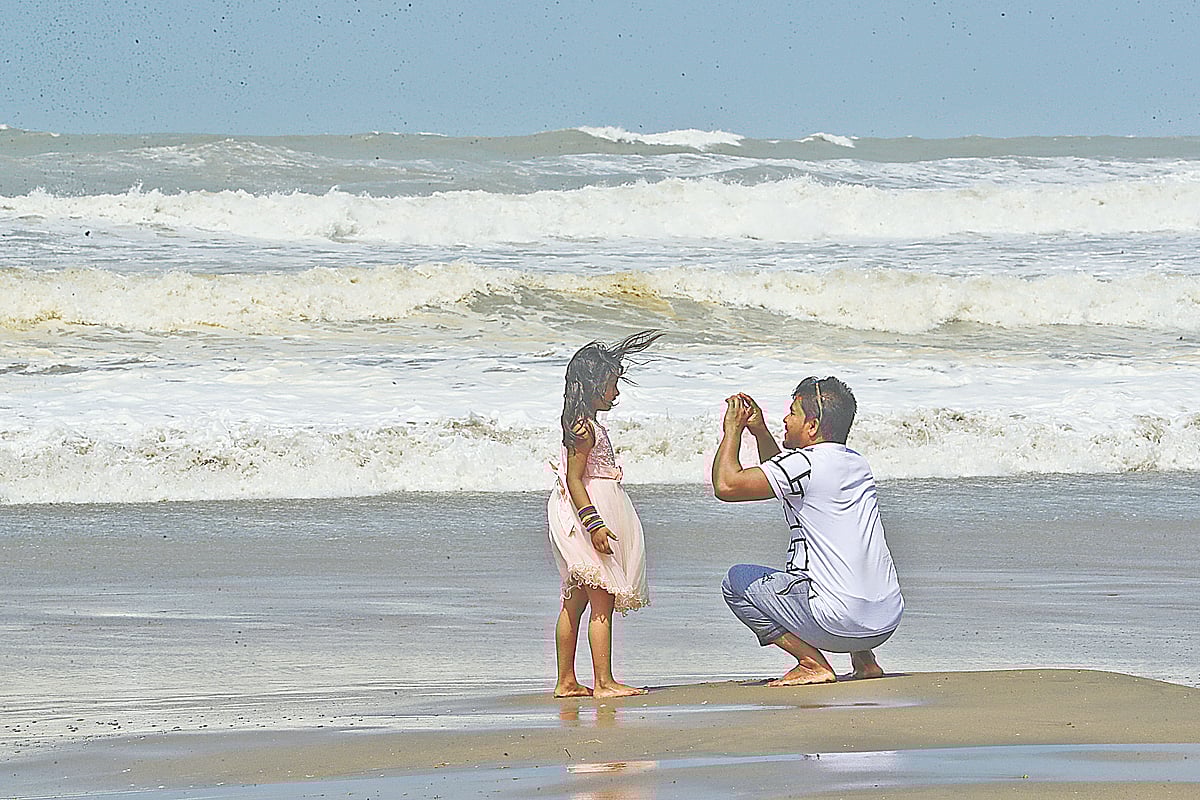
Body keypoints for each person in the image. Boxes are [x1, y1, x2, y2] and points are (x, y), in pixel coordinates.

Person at [711, 377, 903, 686]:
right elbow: (784, 476)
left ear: (812, 426)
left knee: (735, 582)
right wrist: (759, 431)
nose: (785, 420)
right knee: (843, 554)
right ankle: (865, 661)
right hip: (884, 622)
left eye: (792, 413)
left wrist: (732, 430)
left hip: (836, 625)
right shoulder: (856, 463)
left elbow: (726, 485)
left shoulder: (804, 465)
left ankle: (811, 663)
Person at [547, 330, 662, 698]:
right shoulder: (584, 429)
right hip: (587, 513)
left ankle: (567, 681)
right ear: (593, 385)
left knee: (575, 600)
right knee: (601, 599)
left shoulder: (585, 424)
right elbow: (574, 478)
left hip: (584, 509)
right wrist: (594, 523)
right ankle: (604, 682)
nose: (616, 392)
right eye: (612, 384)